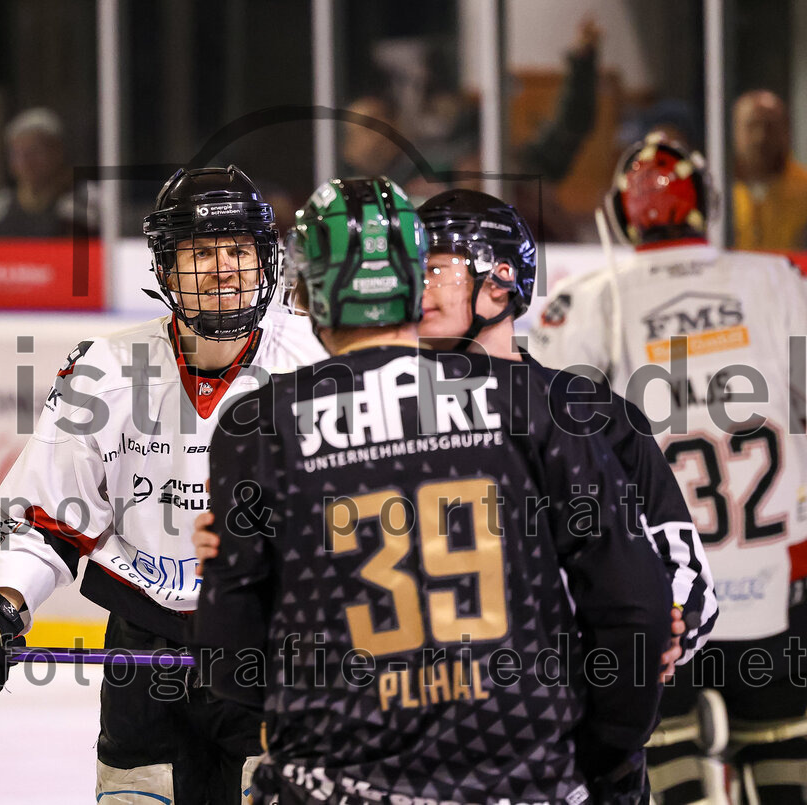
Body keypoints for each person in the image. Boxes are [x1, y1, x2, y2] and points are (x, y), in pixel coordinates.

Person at [193, 176, 673, 804]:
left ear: (307, 293)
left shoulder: (259, 425)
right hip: (523, 782)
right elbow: (634, 610)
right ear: (414, 282)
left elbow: (231, 656)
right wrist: (598, 753)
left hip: (333, 784)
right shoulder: (538, 406)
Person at [0, 165, 327, 804]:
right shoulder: (107, 372)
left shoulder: (319, 363)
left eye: (239, 251)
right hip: (146, 658)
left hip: (279, 653)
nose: (224, 270)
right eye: (200, 252)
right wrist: (0, 605)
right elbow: (47, 521)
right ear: (165, 270)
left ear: (266, 262)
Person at [530, 132, 807, 803]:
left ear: (623, 215)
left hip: (659, 594)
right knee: (785, 768)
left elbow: (553, 448)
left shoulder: (590, 298)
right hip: (775, 581)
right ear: (705, 204)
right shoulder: (777, 279)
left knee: (667, 765)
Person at [414, 187, 717, 676]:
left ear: (500, 280)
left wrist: (669, 628)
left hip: (560, 717)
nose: (417, 288)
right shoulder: (382, 411)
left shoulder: (593, 415)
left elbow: (686, 573)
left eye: (433, 269)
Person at [0, 107, 98, 237]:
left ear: (58, 152)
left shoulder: (88, 202)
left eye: (35, 151)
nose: (25, 161)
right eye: (17, 153)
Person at [732, 90, 807, 251]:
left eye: (770, 126)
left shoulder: (804, 189)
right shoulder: (716, 191)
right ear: (736, 131)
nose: (761, 137)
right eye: (752, 125)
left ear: (786, 132)